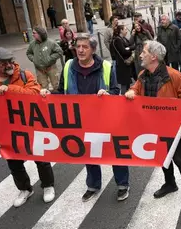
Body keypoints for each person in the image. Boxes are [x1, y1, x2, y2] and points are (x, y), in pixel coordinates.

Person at [40, 34, 130, 202]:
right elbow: (61, 91)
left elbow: (116, 91)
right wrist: (48, 94)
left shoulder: (106, 66)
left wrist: (107, 94)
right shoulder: (68, 66)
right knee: (89, 153)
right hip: (81, 121)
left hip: (105, 119)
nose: (80, 50)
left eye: (85, 47)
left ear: (93, 49)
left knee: (113, 151)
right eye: (78, 46)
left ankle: (122, 184)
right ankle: (93, 185)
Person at [0, 47, 55, 207]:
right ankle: (25, 189)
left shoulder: (25, 76)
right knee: (14, 163)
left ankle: (48, 185)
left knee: (41, 159)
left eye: (11, 61)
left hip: (31, 126)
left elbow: (35, 94)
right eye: (3, 63)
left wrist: (10, 89)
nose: (9, 65)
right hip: (8, 132)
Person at [125, 41, 181, 211]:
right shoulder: (143, 75)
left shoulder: (172, 75)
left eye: (144, 52)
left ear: (153, 57)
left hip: (172, 127)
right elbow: (135, 89)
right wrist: (132, 92)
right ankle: (170, 183)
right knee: (163, 157)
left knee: (179, 158)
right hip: (153, 126)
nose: (140, 55)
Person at [26, 26, 63, 91]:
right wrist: (34, 59)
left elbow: (59, 52)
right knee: (43, 88)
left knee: (56, 86)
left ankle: (57, 99)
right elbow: (28, 53)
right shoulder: (32, 44)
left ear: (40, 34)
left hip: (51, 68)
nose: (32, 34)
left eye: (34, 33)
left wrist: (50, 58)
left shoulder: (51, 42)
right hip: (39, 70)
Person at [110, 24, 135, 93]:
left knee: (127, 82)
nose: (126, 31)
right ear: (121, 31)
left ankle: (126, 95)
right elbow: (124, 51)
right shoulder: (118, 39)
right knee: (124, 83)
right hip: (122, 64)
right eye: (125, 29)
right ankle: (123, 97)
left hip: (126, 64)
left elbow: (130, 44)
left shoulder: (123, 38)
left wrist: (129, 48)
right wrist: (130, 49)